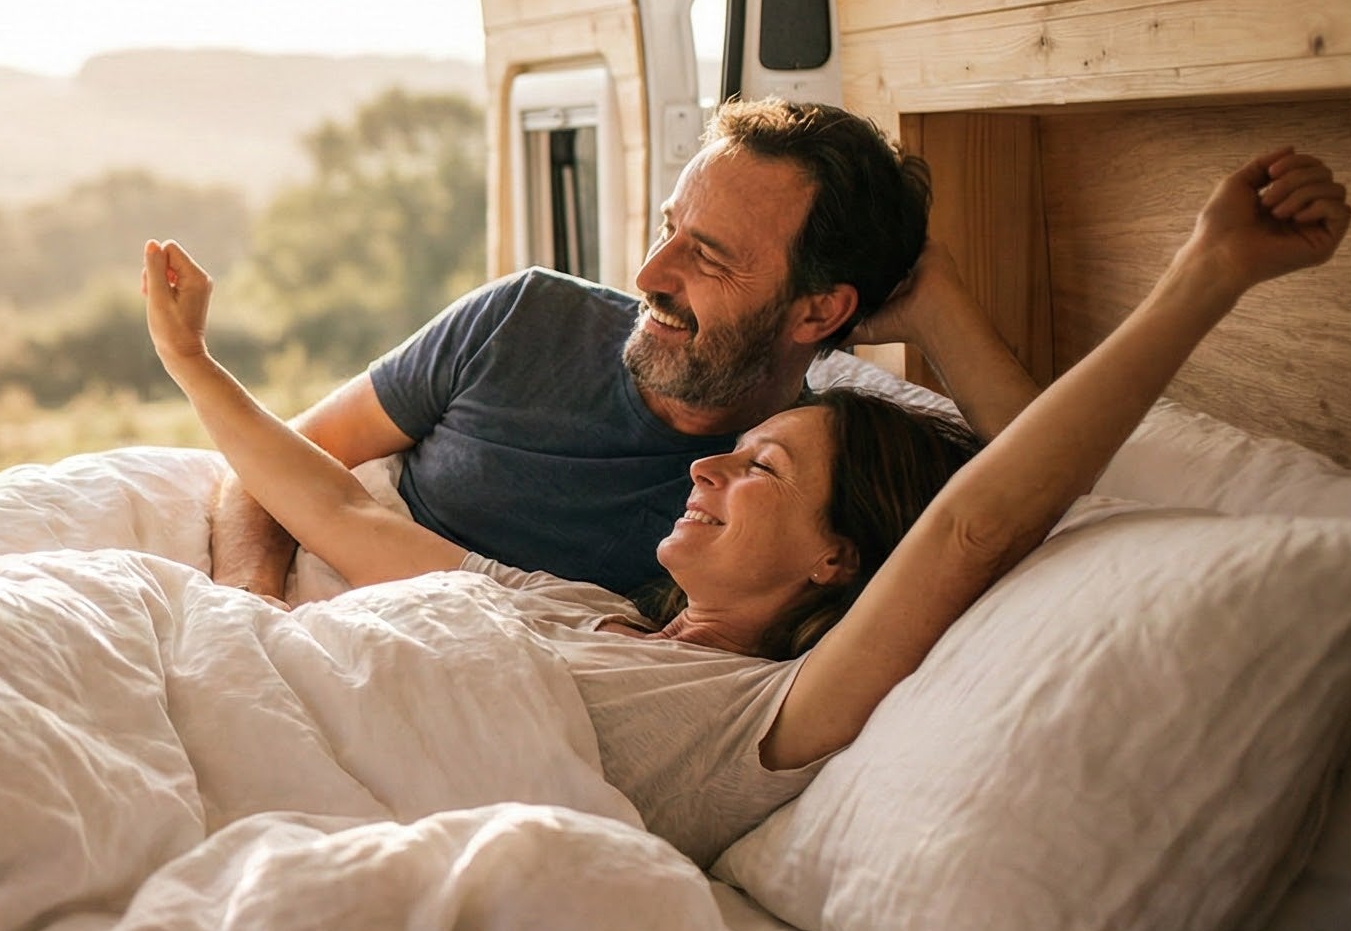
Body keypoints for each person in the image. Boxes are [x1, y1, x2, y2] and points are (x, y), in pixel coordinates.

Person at [145, 149, 1347, 864]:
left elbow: (985, 518)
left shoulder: (762, 719)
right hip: (227, 717)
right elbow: (334, 508)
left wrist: (1208, 273)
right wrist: (194, 363)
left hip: (275, 801)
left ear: (835, 562)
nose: (705, 469)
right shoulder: (576, 606)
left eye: (758, 470)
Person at [209, 98, 1042, 602]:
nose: (649, 274)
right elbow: (277, 462)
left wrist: (935, 302)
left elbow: (1044, 495)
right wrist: (252, 600)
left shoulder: (799, 479)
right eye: (668, 229)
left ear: (820, 310)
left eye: (708, 256)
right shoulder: (525, 317)